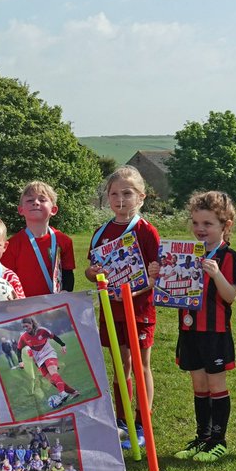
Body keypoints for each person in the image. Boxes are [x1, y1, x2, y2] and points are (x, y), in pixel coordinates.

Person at [85, 166, 161, 448]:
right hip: (112, 309)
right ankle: (122, 420)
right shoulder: (100, 232)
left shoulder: (146, 231)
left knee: (141, 366)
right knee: (120, 365)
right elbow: (91, 271)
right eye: (114, 194)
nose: (120, 200)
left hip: (139, 310)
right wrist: (93, 274)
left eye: (127, 194)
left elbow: (155, 276)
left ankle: (142, 423)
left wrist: (135, 290)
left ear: (141, 197)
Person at [173, 191, 236, 463]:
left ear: (226, 226)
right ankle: (201, 438)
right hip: (189, 330)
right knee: (199, 386)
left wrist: (215, 274)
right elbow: (169, 290)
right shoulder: (186, 255)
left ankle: (218, 440)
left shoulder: (229, 257)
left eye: (208, 224)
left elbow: (231, 296)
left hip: (215, 332)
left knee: (216, 385)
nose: (200, 229)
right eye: (196, 223)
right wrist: (160, 274)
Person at [1, 181, 75, 297]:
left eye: (42, 200)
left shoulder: (64, 241)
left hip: (55, 308)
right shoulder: (11, 244)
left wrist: (65, 294)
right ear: (21, 210)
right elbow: (6, 279)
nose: (35, 203)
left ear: (53, 210)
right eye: (30, 200)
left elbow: (67, 274)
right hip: (23, 307)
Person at [16, 316, 81, 407]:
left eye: (27, 326)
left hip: (49, 354)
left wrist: (63, 345)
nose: (26, 328)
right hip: (39, 361)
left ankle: (62, 393)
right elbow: (18, 349)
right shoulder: (24, 337)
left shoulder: (42, 330)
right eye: (24, 327)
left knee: (53, 372)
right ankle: (74, 392)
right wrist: (20, 361)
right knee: (52, 381)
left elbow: (53, 336)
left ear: (32, 323)